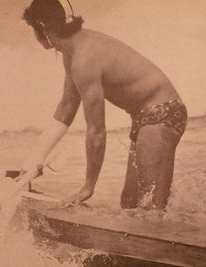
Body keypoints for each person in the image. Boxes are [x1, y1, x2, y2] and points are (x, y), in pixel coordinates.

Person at [19, 0, 187, 210]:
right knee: (130, 203)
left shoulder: (84, 58)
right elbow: (67, 107)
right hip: (145, 116)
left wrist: (88, 187)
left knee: (151, 209)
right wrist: (35, 158)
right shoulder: (72, 50)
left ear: (42, 26)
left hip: (163, 112)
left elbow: (97, 131)